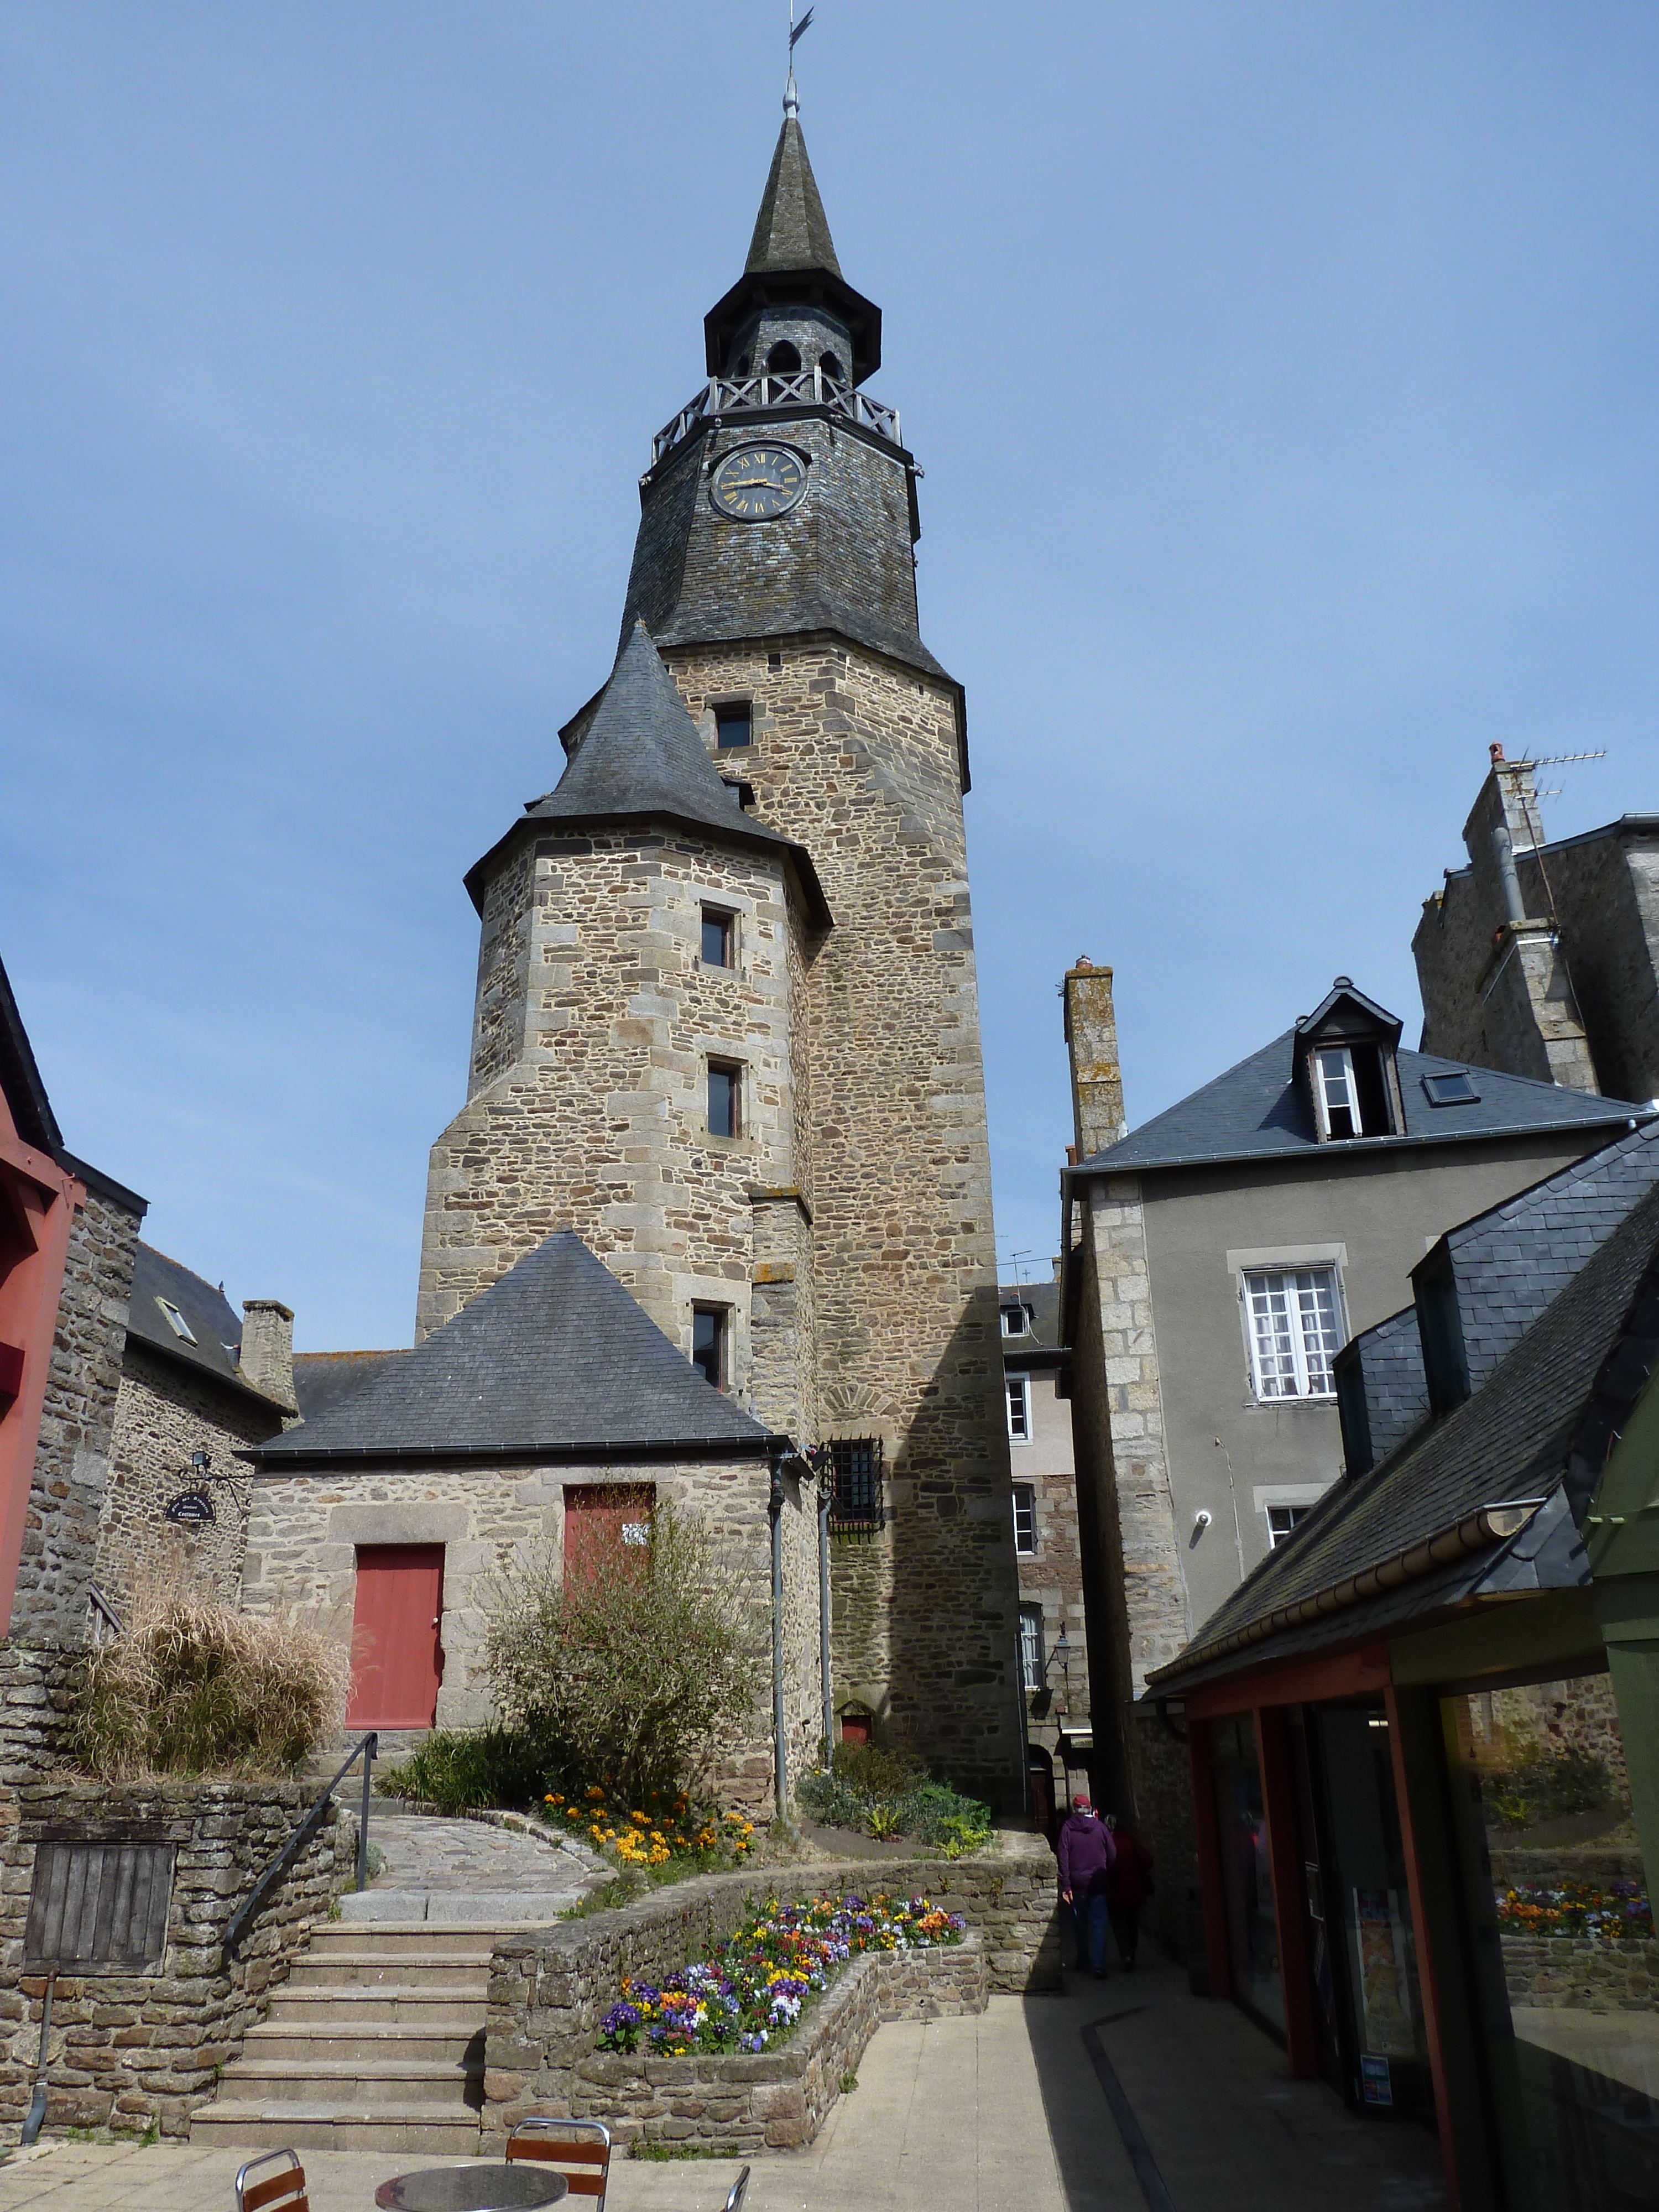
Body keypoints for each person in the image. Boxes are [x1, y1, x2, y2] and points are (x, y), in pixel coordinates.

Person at [1057, 1792, 1115, 1978]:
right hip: (1098, 1883)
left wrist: (1066, 1884)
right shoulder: (1100, 1828)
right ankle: (1099, 1964)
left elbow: (1063, 1858)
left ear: (1075, 1809)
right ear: (1090, 1808)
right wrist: (1107, 1871)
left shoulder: (1067, 1828)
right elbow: (1112, 1853)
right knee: (1098, 1923)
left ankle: (1083, 1961)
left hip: (1077, 1883)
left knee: (1080, 1924)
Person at [1103, 1813, 1154, 1970]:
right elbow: (1147, 1860)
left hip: (1116, 1892)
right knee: (1133, 1923)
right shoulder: (1131, 1842)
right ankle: (1132, 1952)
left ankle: (1125, 1955)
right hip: (1134, 1890)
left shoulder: (1108, 1845)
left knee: (1119, 1925)